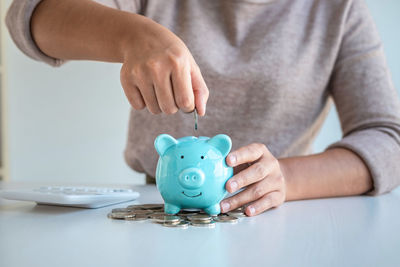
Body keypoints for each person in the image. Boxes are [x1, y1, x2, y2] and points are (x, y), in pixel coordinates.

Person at [6, 0, 400, 216]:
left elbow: (389, 141)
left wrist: (286, 179)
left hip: (280, 214)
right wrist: (132, 33)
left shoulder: (339, 9)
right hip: (156, 209)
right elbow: (29, 15)